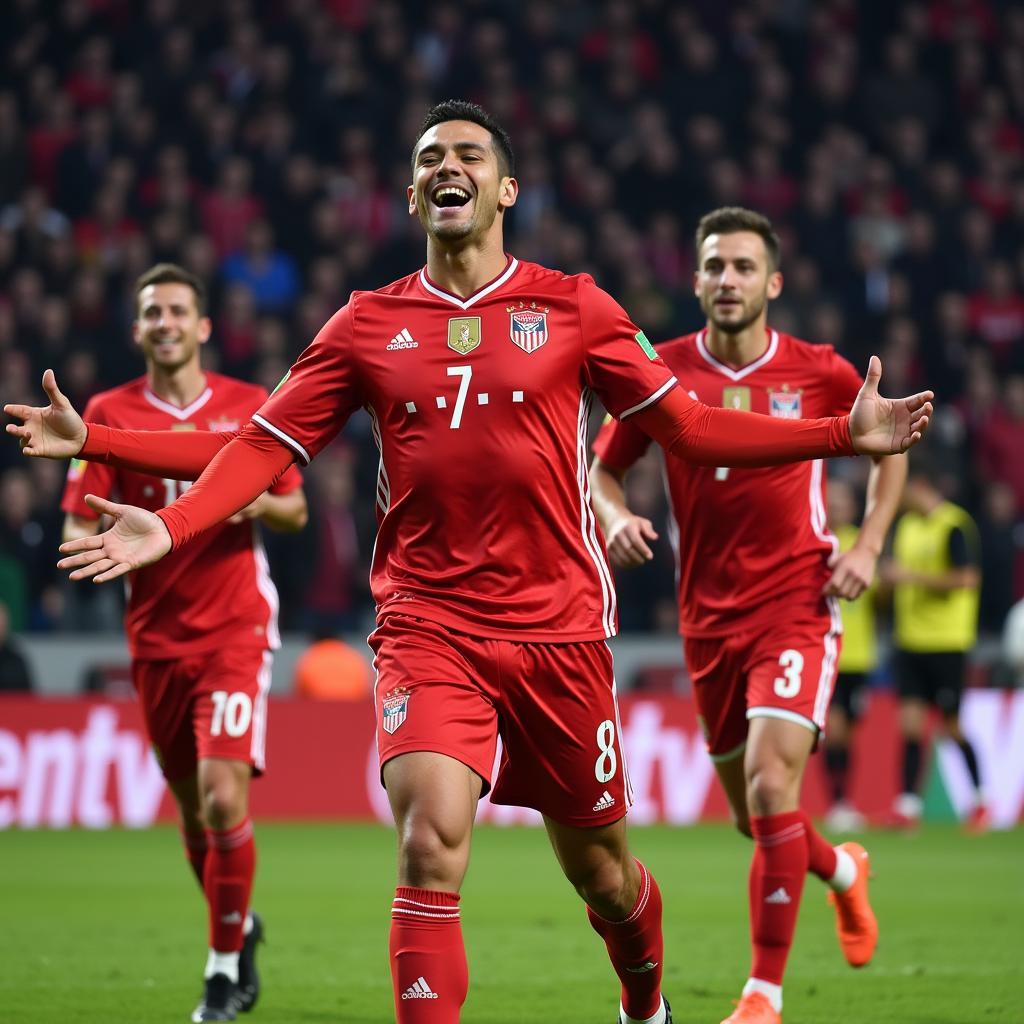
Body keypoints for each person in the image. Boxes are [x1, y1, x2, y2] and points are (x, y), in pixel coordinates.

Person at [7, 101, 933, 1024]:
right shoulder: (366, 323)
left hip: (560, 630)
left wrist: (834, 438)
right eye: (430, 158)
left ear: (505, 189)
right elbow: (261, 444)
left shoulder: (574, 305)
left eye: (469, 155)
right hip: (426, 626)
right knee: (427, 847)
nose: (448, 166)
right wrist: (160, 513)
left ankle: (645, 1006)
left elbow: (685, 427)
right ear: (414, 195)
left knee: (605, 876)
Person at [590, 207, 903, 1024]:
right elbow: (603, 472)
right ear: (694, 280)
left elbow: (889, 445)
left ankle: (763, 994)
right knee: (753, 818)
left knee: (771, 788)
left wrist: (867, 544)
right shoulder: (662, 371)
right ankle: (840, 871)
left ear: (773, 283)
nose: (727, 280)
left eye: (742, 267)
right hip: (706, 618)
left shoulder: (820, 371)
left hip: (798, 600)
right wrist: (615, 516)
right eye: (714, 266)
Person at [60, 262, 308, 1022]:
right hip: (156, 638)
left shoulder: (246, 406)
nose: (164, 322)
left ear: (202, 327)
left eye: (177, 310)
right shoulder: (106, 411)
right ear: (136, 330)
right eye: (151, 313)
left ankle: (222, 971)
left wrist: (240, 505)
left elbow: (293, 511)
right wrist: (103, 539)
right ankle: (237, 925)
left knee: (223, 794)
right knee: (195, 817)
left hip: (234, 626)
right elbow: (77, 523)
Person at [881, 452, 987, 832]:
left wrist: (908, 577)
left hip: (947, 642)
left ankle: (979, 801)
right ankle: (908, 806)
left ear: (919, 486)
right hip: (910, 642)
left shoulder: (954, 525)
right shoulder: (907, 526)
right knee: (909, 726)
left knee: (951, 726)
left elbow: (966, 579)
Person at [823, 477, 879, 833]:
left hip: (860, 656)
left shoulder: (864, 542)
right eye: (833, 499)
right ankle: (838, 802)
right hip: (827, 652)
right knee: (835, 732)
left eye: (843, 499)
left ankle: (844, 801)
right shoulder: (817, 540)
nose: (838, 505)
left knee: (849, 735)